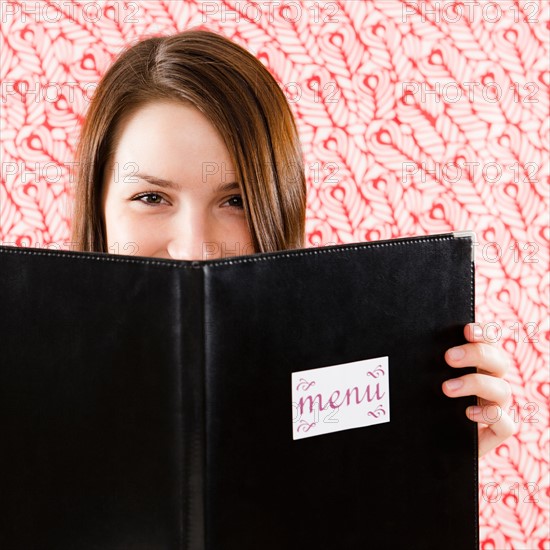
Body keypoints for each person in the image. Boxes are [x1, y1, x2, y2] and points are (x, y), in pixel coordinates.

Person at [70, 28, 515, 457]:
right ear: (98, 207)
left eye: (236, 200)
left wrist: (425, 478)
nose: (194, 249)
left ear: (279, 205)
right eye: (151, 197)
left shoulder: (348, 381)